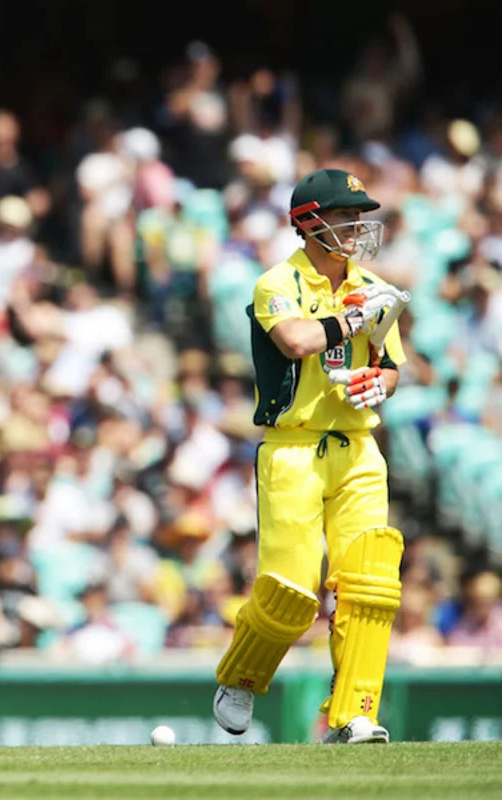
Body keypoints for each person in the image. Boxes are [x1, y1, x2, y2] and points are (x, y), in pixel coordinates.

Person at [211, 168, 409, 744]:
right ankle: (241, 675)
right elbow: (296, 342)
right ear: (308, 223)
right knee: (292, 590)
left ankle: (353, 714)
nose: (355, 227)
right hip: (293, 448)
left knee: (369, 584)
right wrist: (353, 318)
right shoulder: (275, 283)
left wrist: (380, 383)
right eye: (343, 216)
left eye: (358, 216)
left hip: (359, 450)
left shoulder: (373, 284)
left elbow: (391, 366)